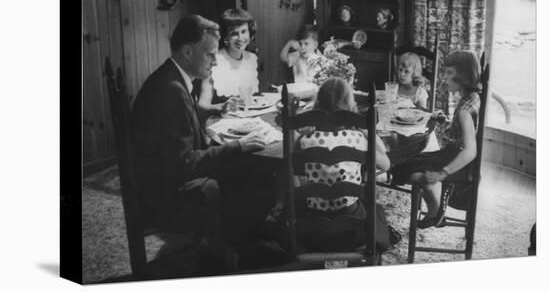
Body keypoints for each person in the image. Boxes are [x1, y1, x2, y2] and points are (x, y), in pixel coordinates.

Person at [131, 14, 273, 267]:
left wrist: (216, 117)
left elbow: (183, 133)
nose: (215, 60)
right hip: (166, 195)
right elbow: (184, 164)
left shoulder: (171, 78)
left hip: (162, 178)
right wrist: (238, 145)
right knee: (259, 177)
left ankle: (243, 239)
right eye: (209, 54)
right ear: (188, 51)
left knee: (251, 170)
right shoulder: (171, 91)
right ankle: (242, 252)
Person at [293, 78, 399, 252]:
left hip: (313, 230)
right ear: (350, 106)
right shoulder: (358, 139)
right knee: (376, 210)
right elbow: (386, 164)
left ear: (317, 104)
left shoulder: (304, 141)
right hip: (352, 230)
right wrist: (366, 130)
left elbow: (294, 177)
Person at [391, 50, 481, 229]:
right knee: (406, 162)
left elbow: (470, 151)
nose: (444, 78)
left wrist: (442, 173)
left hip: (457, 161)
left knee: (401, 168)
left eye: (449, 73)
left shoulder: (464, 110)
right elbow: (467, 131)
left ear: (462, 75)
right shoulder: (473, 97)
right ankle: (435, 200)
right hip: (452, 154)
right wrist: (447, 122)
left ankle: (436, 206)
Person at [198, 8, 259, 114]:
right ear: (226, 37)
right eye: (234, 34)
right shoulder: (214, 61)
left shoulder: (251, 59)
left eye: (244, 32)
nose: (240, 38)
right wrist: (221, 107)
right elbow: (201, 105)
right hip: (221, 122)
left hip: (247, 122)